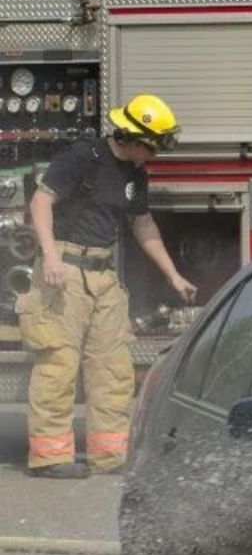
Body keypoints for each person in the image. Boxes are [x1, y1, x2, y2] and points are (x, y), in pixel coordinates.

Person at [19, 93, 196, 478]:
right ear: (133, 136)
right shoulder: (84, 157)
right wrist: (49, 257)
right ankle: (50, 457)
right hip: (64, 271)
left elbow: (143, 224)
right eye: (154, 144)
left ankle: (109, 456)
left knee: (112, 369)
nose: (156, 153)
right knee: (58, 366)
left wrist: (173, 275)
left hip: (102, 276)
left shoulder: (135, 173)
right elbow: (41, 202)